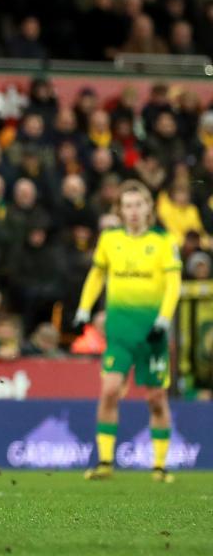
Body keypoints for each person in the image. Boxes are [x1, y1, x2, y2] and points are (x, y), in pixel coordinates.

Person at [73, 180, 181, 483]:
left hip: (152, 333)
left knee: (156, 398)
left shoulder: (163, 241)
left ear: (149, 208)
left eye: (139, 205)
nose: (134, 211)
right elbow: (96, 274)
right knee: (109, 391)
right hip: (119, 332)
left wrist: (163, 320)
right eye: (128, 206)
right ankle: (106, 462)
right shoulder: (110, 239)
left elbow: (174, 284)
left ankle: (159, 466)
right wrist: (84, 309)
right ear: (120, 210)